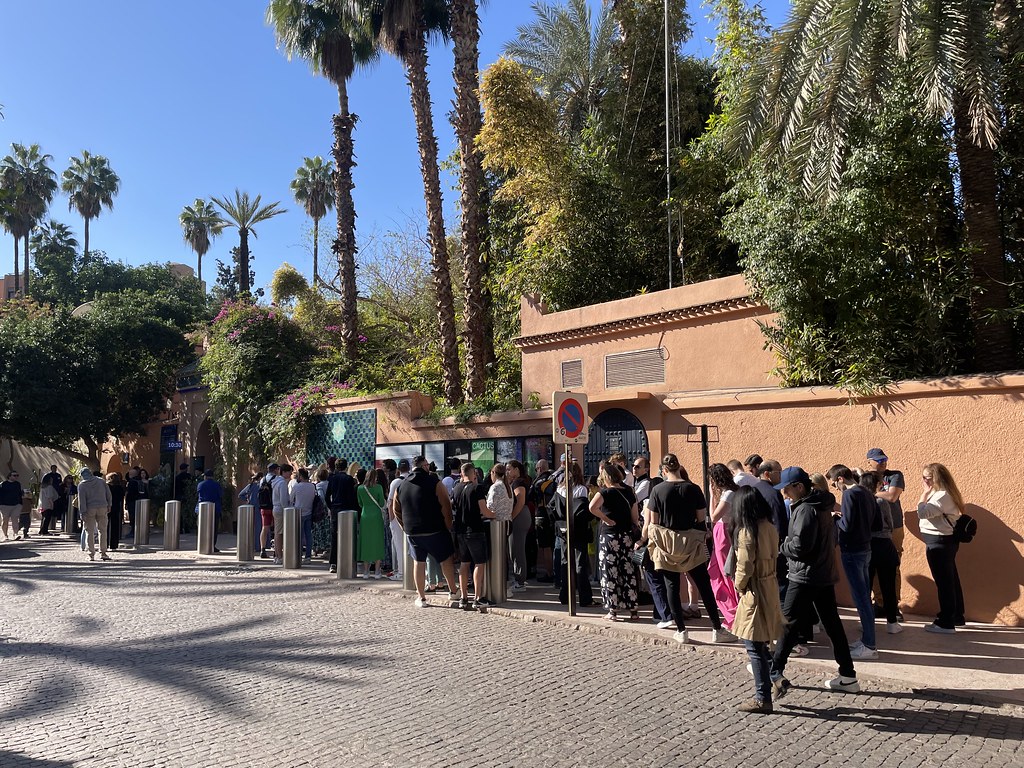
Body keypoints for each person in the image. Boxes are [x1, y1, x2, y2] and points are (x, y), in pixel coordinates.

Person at [771, 467, 859, 696]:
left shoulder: (806, 510)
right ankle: (848, 675)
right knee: (831, 623)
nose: (785, 494)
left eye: (787, 489)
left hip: (805, 575)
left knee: (787, 621)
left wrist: (781, 547)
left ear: (800, 487)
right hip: (822, 573)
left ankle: (773, 670)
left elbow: (800, 546)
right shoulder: (820, 505)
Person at [643, 455, 736, 643]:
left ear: (664, 470)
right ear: (679, 467)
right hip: (692, 543)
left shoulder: (658, 490)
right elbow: (701, 520)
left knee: (672, 586)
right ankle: (717, 629)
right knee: (703, 584)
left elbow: (653, 522)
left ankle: (681, 630)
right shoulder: (693, 489)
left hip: (667, 543)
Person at [730, 486, 785, 714]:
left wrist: (738, 585)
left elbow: (744, 565)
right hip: (770, 584)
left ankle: (763, 697)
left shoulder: (747, 531)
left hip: (755, 589)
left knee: (753, 644)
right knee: (760, 642)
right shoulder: (769, 527)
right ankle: (776, 677)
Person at [827, 464, 881, 659]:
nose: (835, 487)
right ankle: (868, 640)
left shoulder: (849, 494)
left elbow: (847, 525)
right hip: (866, 547)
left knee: (861, 599)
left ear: (841, 478)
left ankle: (869, 644)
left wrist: (835, 518)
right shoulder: (866, 492)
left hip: (852, 550)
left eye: (834, 484)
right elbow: (876, 522)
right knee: (864, 596)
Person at [393, 456, 459, 608]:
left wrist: (405, 527)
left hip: (413, 532)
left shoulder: (401, 485)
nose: (429, 467)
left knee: (419, 562)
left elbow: (396, 509)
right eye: (427, 465)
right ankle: (453, 590)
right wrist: (448, 524)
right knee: (445, 560)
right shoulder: (435, 482)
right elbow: (445, 505)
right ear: (424, 466)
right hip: (435, 529)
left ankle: (421, 597)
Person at [917, 463, 966, 633]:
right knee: (950, 578)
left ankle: (946, 621)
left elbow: (923, 512)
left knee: (944, 582)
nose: (923, 481)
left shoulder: (941, 496)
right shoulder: (944, 494)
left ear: (935, 479)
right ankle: (956, 615)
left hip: (939, 542)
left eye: (926, 478)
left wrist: (923, 494)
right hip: (945, 541)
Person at [591, 462, 639, 622]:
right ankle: (633, 609)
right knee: (628, 570)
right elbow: (635, 517)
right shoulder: (629, 492)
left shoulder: (605, 492)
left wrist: (606, 519)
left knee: (609, 571)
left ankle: (612, 610)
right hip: (626, 536)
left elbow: (592, 507)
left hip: (609, 537)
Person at [859, 472, 902, 634]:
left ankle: (865, 621)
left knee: (865, 586)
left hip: (866, 546)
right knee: (888, 586)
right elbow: (889, 523)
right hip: (883, 545)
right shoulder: (880, 501)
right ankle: (892, 622)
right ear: (876, 485)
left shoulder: (859, 501)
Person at [868, 448, 906, 621]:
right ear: (869, 461)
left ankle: (893, 604)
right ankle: (880, 602)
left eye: (884, 459)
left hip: (894, 527)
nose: (883, 462)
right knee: (874, 566)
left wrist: (867, 492)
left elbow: (892, 496)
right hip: (874, 528)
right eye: (878, 460)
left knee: (893, 565)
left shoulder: (895, 475)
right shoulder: (866, 478)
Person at [551, 460, 593, 607]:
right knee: (580, 563)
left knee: (565, 562)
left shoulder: (559, 489)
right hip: (579, 529)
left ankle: (565, 595)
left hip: (563, 529)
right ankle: (585, 597)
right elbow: (584, 511)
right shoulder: (581, 489)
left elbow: (552, 508)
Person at [452, 462, 493, 608]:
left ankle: (463, 597)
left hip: (460, 531)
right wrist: (494, 514)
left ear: (461, 474)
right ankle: (478, 597)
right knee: (479, 563)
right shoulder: (477, 488)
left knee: (464, 563)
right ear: (474, 473)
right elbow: (484, 510)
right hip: (475, 529)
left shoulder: (455, 489)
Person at [707, 463, 740, 629]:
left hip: (723, 533)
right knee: (715, 571)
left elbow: (713, 516)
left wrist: (712, 496)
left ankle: (734, 613)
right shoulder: (734, 491)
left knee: (726, 574)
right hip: (723, 533)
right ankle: (730, 612)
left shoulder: (728, 494)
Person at [327, 459, 359, 574]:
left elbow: (327, 496)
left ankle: (333, 563)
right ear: (346, 467)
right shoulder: (349, 479)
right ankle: (346, 561)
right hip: (346, 509)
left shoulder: (332, 478)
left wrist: (331, 507)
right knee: (347, 536)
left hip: (335, 509)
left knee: (334, 537)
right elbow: (352, 496)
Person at [505, 460, 531, 591]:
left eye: (509, 469)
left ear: (516, 469)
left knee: (517, 550)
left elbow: (520, 502)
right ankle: (519, 579)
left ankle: (520, 581)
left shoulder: (518, 482)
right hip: (520, 515)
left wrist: (511, 518)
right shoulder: (517, 482)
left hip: (519, 515)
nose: (507, 472)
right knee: (514, 549)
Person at [357, 468, 387, 577]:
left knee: (366, 542)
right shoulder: (378, 487)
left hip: (365, 516)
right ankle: (377, 571)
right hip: (376, 516)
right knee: (377, 541)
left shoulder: (360, 488)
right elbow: (381, 502)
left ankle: (365, 571)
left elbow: (360, 503)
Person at [77, 468, 112, 562]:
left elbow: (82, 501)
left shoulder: (82, 485)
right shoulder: (101, 481)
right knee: (103, 530)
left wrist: (82, 513)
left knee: (90, 532)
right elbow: (108, 494)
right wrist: (109, 504)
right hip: (102, 507)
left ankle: (91, 554)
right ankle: (103, 552)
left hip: (90, 509)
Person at [385, 459, 411, 581]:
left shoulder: (395, 482)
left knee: (399, 545)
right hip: (410, 515)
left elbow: (390, 502)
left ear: (398, 469)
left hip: (397, 517)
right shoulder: (412, 479)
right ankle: (411, 570)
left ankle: (401, 572)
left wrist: (391, 519)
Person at [288, 467, 317, 563]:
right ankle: (308, 556)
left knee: (298, 535)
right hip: (309, 512)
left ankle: (298, 554)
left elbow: (291, 499)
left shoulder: (297, 486)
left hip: (298, 513)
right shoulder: (312, 486)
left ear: (300, 476)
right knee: (308, 535)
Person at [196, 469, 223, 553]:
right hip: (215, 508)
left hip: (202, 509)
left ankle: (201, 544)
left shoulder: (200, 484)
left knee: (201, 527)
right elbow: (221, 495)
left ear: (205, 476)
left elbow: (199, 495)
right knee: (214, 528)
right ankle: (212, 545)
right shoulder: (217, 485)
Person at [257, 464, 280, 559]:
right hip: (274, 506)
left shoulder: (263, 479)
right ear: (276, 470)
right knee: (276, 530)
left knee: (264, 528)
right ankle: (276, 551)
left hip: (264, 507)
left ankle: (262, 550)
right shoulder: (277, 479)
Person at [272, 464, 292, 564]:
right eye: (289, 471)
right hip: (280, 509)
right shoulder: (282, 483)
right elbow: (283, 500)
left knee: (277, 532)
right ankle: (280, 556)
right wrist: (287, 510)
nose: (291, 474)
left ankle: (277, 555)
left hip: (275, 508)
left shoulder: (276, 482)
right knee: (279, 533)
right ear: (284, 472)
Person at [312, 468, 332, 558]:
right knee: (328, 530)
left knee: (319, 529)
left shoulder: (319, 485)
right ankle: (328, 548)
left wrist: (325, 506)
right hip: (330, 509)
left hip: (321, 511)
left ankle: (318, 548)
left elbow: (321, 497)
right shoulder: (330, 484)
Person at [0, 470, 23, 540]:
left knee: (15, 519)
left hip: (16, 505)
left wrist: (20, 504)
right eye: (14, 475)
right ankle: (5, 535)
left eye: (17, 475)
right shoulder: (3, 484)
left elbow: (19, 494)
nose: (16, 477)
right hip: (4, 505)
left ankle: (15, 534)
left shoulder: (17, 484)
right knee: (5, 520)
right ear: (9, 476)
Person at [106, 473, 125, 550]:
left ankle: (105, 543)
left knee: (105, 526)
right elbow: (121, 497)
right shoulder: (119, 487)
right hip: (116, 507)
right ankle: (114, 544)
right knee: (115, 526)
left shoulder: (107, 487)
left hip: (107, 507)